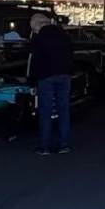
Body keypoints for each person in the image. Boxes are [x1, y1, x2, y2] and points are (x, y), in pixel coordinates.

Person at [28, 13, 75, 155]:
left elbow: (34, 62)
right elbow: (71, 55)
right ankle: (64, 144)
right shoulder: (64, 35)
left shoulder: (38, 38)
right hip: (64, 76)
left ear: (37, 25)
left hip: (45, 77)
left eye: (33, 28)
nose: (34, 31)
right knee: (63, 110)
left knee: (45, 111)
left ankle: (44, 146)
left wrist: (32, 82)